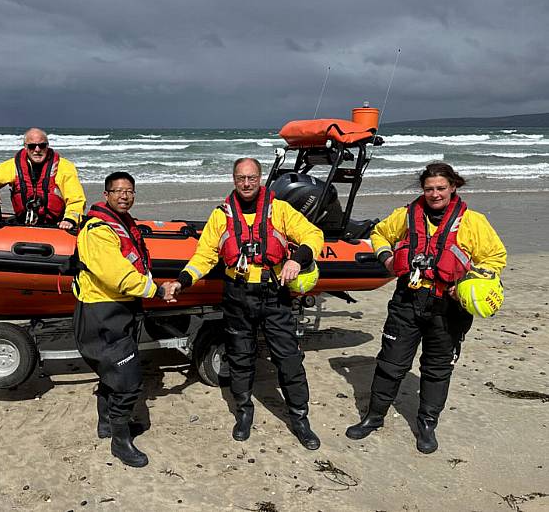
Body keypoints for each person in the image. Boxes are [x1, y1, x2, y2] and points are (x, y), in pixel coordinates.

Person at [345, 162, 506, 454]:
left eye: (441, 188)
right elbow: (380, 234)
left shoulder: (473, 222)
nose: (435, 194)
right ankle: (374, 416)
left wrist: (469, 283)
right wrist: (387, 259)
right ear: (423, 189)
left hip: (450, 308)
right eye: (429, 188)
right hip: (407, 300)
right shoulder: (406, 216)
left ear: (453, 187)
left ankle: (427, 424)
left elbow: (495, 258)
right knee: (391, 364)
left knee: (437, 368)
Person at [164, 158, 325, 449]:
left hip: (274, 294)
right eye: (241, 178)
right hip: (237, 295)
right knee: (240, 357)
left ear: (260, 178)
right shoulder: (221, 215)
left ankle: (300, 418)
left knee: (288, 358)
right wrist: (182, 281)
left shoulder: (280, 209)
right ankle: (243, 412)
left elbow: (313, 235)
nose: (247, 183)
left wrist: (295, 259)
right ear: (234, 179)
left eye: (252, 177)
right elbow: (204, 256)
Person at [72, 171, 168, 468]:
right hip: (102, 312)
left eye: (129, 191)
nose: (124, 196)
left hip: (117, 309)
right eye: (118, 191)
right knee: (128, 380)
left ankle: (107, 425)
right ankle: (120, 441)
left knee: (110, 371)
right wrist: (156, 290)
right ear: (106, 195)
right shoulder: (99, 230)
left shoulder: (123, 225)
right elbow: (117, 275)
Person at [0, 128, 86, 229]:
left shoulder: (64, 167)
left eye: (42, 145)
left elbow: (76, 199)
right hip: (22, 224)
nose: (37, 150)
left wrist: (70, 219)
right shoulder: (14, 165)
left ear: (47, 146)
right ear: (25, 147)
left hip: (55, 225)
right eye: (32, 146)